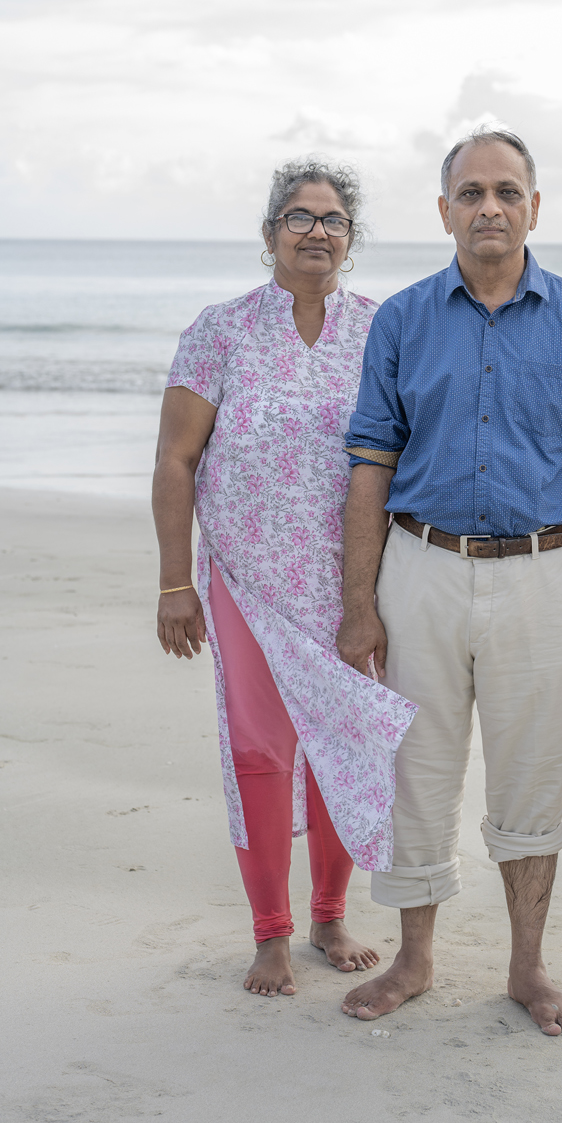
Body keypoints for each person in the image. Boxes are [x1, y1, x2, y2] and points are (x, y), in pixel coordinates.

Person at [335, 126, 562, 1036]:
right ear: (444, 212)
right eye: (470, 193)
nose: (490, 208)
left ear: (534, 207)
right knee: (417, 771)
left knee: (531, 778)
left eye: (507, 191)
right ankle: (415, 960)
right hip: (419, 569)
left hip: (547, 575)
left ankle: (526, 967)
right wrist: (360, 609)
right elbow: (370, 462)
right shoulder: (402, 320)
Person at [152, 159, 416, 999]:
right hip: (245, 580)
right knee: (262, 753)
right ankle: (271, 933)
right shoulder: (220, 330)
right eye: (298, 217)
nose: (316, 231)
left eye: (333, 219)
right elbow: (176, 459)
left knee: (346, 742)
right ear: (270, 235)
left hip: (353, 586)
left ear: (351, 238)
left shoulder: (383, 329)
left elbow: (408, 454)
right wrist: (173, 585)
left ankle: (331, 915)